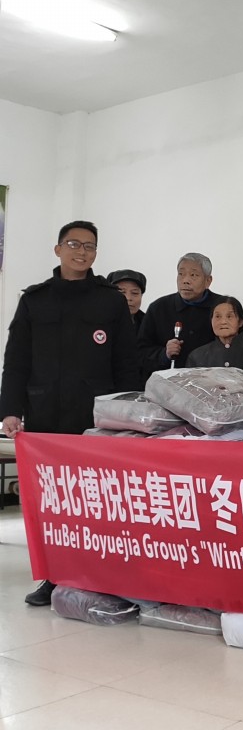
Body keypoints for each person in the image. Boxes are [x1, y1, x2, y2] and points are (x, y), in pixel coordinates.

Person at [0, 220, 140, 607]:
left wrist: (128, 413)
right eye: (74, 244)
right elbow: (16, 359)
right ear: (58, 249)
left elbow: (126, 362)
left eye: (89, 246)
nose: (82, 252)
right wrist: (10, 409)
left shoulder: (109, 300)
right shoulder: (35, 299)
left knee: (96, 499)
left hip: (95, 418)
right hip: (45, 416)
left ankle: (99, 575)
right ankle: (54, 576)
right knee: (51, 502)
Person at [137, 253, 222, 377]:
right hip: (169, 383)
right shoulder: (159, 308)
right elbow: (140, 352)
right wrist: (164, 354)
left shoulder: (223, 307)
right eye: (181, 274)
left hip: (212, 382)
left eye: (193, 275)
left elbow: (237, 348)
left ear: (208, 281)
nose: (185, 280)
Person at [186, 297, 243, 368]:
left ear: (240, 322)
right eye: (218, 316)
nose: (223, 322)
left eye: (229, 316)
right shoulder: (197, 356)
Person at [107, 269, 147, 333]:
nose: (128, 298)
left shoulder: (149, 324)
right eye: (122, 292)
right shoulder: (97, 322)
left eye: (134, 293)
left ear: (141, 296)